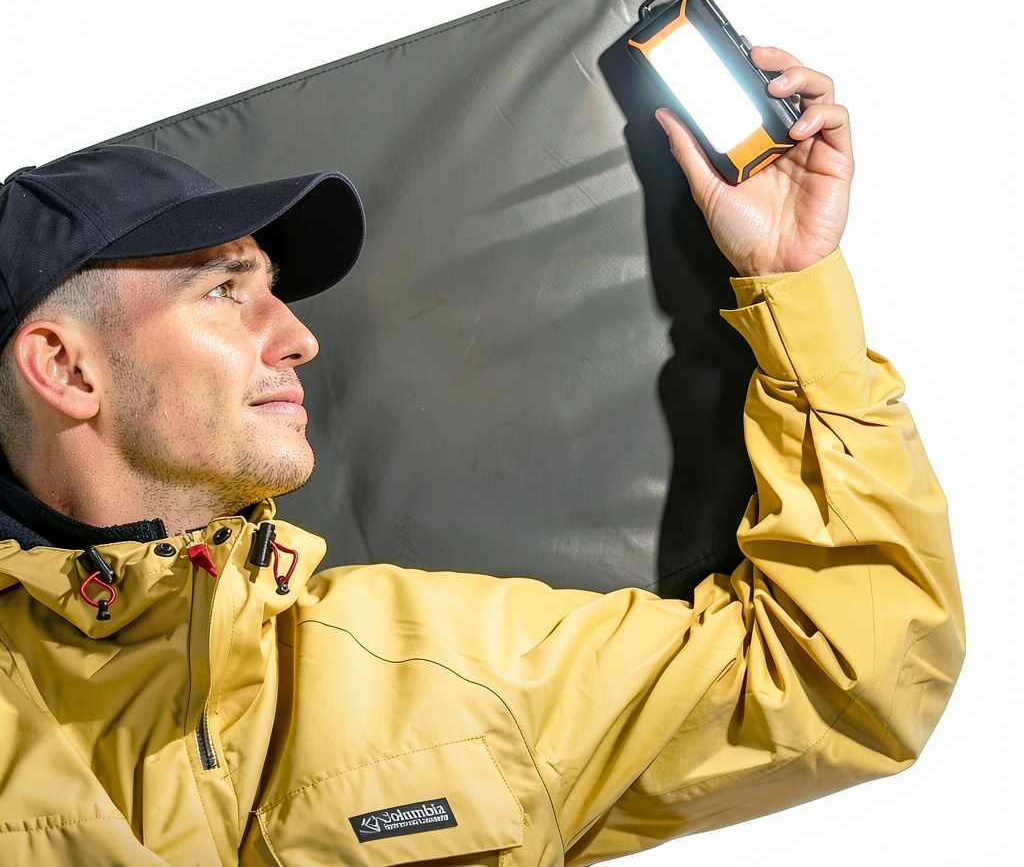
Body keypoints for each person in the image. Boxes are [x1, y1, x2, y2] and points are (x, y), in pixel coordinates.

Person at [0, 48, 964, 866]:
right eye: (223, 291)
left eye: (276, 292)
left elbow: (850, 680)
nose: (298, 338)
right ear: (66, 368)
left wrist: (791, 281)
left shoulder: (454, 668)